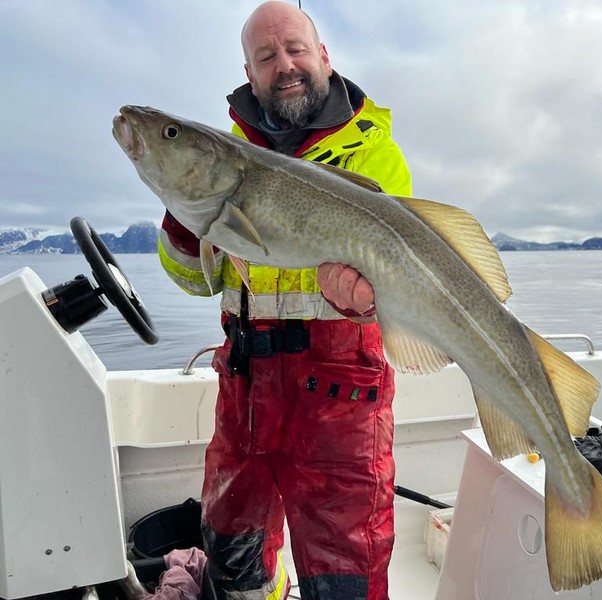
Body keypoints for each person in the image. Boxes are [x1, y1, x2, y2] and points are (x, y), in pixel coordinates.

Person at [157, 2, 412, 599]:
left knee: (345, 566)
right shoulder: (220, 161)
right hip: (244, 392)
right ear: (248, 72)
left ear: (323, 55)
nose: (286, 65)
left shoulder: (371, 154)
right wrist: (184, 228)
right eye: (267, 56)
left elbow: (394, 277)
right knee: (231, 549)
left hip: (339, 400)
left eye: (296, 49)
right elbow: (195, 282)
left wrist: (364, 299)